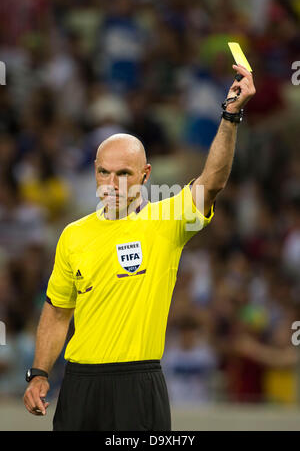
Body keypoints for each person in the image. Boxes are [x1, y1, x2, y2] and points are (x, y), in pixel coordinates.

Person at [23, 64, 256, 431]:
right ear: (95, 171)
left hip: (138, 383)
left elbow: (212, 182)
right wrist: (38, 373)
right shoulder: (73, 235)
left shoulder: (167, 221)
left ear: (146, 175)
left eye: (124, 174)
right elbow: (56, 313)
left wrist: (230, 116)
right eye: (104, 172)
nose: (112, 183)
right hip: (79, 384)